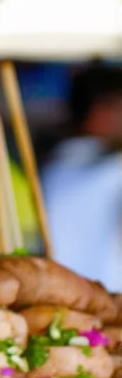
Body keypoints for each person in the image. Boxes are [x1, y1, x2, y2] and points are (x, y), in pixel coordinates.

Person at [43, 65, 122, 291]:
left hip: (61, 297)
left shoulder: (54, 166)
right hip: (107, 303)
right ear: (101, 110)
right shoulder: (110, 169)